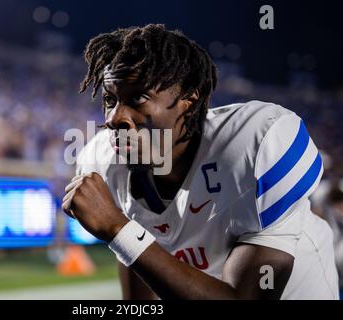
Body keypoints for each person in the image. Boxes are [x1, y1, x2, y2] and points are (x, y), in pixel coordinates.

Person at [62, 24, 339, 299]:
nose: (113, 118)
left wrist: (118, 228)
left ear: (189, 100)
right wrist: (123, 233)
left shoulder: (257, 145)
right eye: (111, 100)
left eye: (138, 97)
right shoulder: (103, 163)